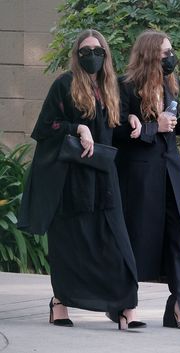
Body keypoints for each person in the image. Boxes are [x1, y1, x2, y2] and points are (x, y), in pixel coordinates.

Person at [17, 29, 146, 330]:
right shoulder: (64, 84)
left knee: (117, 243)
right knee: (69, 244)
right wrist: (76, 127)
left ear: (106, 54)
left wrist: (130, 119)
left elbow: (114, 128)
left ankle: (125, 306)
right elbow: (45, 127)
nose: (92, 56)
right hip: (71, 179)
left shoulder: (111, 86)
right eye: (85, 51)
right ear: (76, 55)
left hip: (104, 178)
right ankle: (59, 302)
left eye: (97, 50)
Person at [113, 29, 180, 329]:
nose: (171, 57)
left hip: (171, 169)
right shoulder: (125, 86)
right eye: (165, 52)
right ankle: (123, 306)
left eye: (171, 51)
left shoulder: (171, 84)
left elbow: (169, 127)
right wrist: (152, 127)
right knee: (134, 238)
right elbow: (118, 131)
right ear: (149, 54)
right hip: (138, 173)